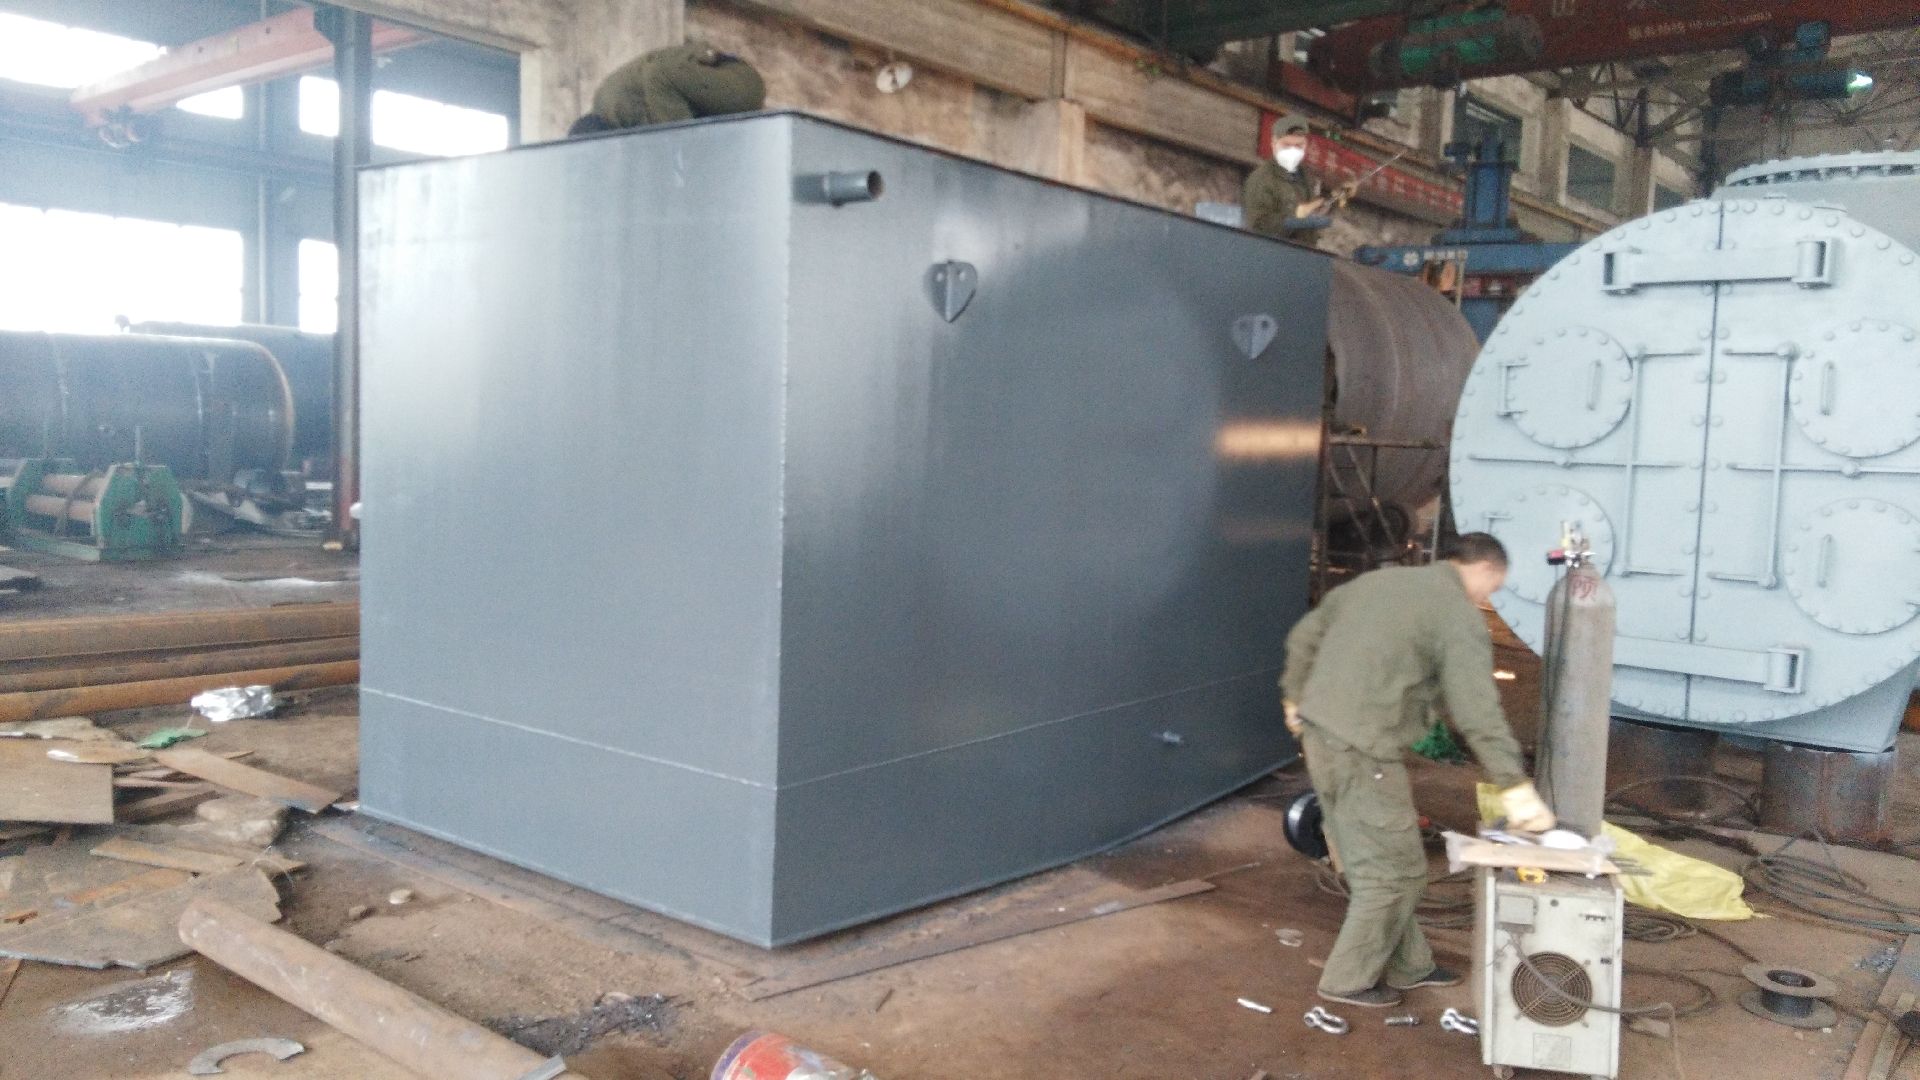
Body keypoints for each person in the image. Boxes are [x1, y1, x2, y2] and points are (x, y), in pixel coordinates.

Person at [1279, 533, 1555, 1008]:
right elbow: (1478, 713)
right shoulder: (1458, 615)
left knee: (1372, 865)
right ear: (1486, 570)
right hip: (1362, 752)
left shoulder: (1377, 583)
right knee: (1396, 873)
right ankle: (1346, 981)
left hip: (1319, 738)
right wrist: (1515, 788)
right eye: (1493, 587)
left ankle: (1411, 965)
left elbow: (1306, 634)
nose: (1488, 597)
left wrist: (1294, 695)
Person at [569, 40, 767, 136]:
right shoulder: (616, 110)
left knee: (659, 78)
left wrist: (681, 154)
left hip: (739, 87)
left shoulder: (615, 106)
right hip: (725, 95)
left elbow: (659, 72)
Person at [1241, 116, 1355, 246]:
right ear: (1273, 143)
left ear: (1305, 145)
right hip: (1269, 252)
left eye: (1298, 145)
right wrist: (1294, 219)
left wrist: (1336, 196)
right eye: (1287, 145)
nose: (1293, 150)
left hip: (1303, 251)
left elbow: (1314, 211)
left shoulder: (1306, 177)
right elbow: (1257, 225)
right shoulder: (1262, 178)